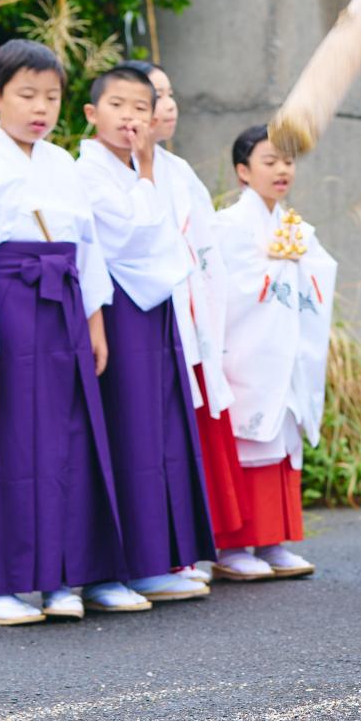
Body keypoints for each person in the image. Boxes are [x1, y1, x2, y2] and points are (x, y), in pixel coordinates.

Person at [0, 38, 135, 626]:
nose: (41, 108)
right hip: (4, 311)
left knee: (68, 444)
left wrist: (95, 322)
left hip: (63, 311)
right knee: (0, 445)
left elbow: (86, 251)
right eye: (26, 95)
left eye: (52, 97)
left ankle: (64, 577)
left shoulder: (61, 165)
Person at [75, 65, 215, 603]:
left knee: (159, 432)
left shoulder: (140, 168)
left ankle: (157, 558)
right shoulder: (85, 171)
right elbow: (133, 233)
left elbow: (165, 235)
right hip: (111, 309)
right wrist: (148, 169)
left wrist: (147, 168)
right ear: (92, 113)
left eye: (141, 107)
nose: (131, 117)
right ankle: (114, 567)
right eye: (118, 105)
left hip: (154, 308)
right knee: (123, 432)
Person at [211, 123, 336, 579]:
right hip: (243, 351)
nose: (282, 170)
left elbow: (320, 271)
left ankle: (272, 540)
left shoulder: (295, 228)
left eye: (287, 161)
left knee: (281, 441)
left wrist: (292, 267)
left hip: (284, 349)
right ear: (243, 171)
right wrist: (280, 270)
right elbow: (228, 284)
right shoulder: (226, 225)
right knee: (245, 441)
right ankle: (233, 545)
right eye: (269, 161)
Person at [139, 62, 238, 585]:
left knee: (184, 445)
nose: (169, 104)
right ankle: (159, 556)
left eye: (171, 92)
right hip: (152, 321)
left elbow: (208, 254)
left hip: (193, 320)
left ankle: (185, 551)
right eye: (156, 95)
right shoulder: (119, 171)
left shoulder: (180, 173)